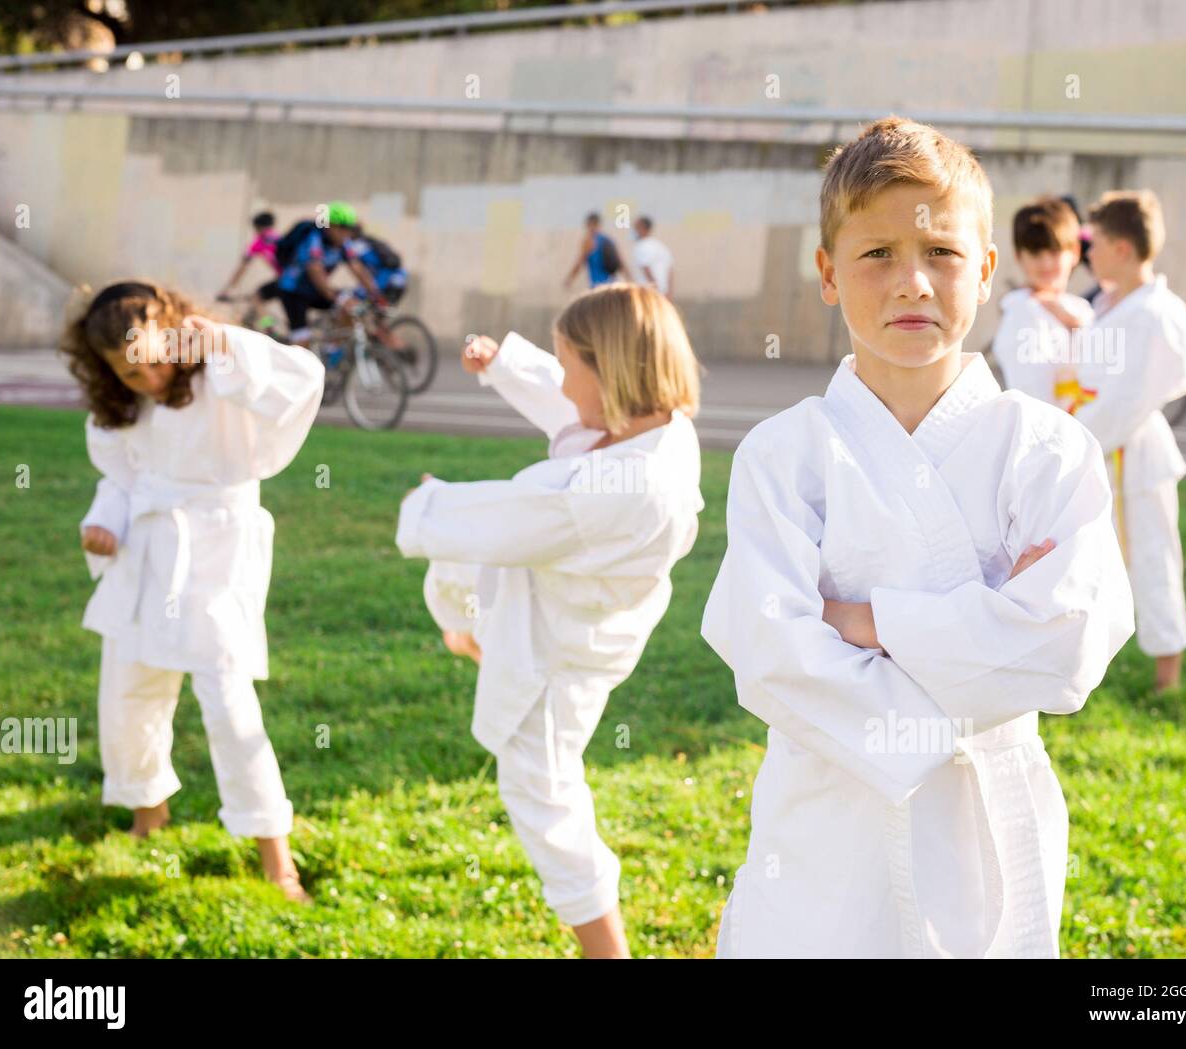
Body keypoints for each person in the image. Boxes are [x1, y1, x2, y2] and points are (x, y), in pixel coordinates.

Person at [700, 117, 1134, 958]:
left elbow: (1069, 646)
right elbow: (771, 652)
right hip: (825, 828)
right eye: (876, 255)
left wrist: (866, 621)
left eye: (940, 253)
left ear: (985, 269)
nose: (912, 283)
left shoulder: (1046, 450)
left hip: (983, 831)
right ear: (827, 274)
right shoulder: (784, 456)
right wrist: (986, 635)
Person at [395, 283, 704, 958]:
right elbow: (568, 408)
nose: (562, 380)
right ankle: (475, 636)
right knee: (533, 761)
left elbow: (516, 517)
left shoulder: (619, 488)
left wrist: (429, 505)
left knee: (540, 786)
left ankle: (606, 947)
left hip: (564, 653)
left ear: (614, 370)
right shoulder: (644, 426)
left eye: (570, 366)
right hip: (560, 619)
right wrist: (506, 362)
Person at [60, 280, 325, 903]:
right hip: (147, 551)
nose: (148, 377)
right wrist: (105, 521)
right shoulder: (121, 408)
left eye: (155, 357)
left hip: (217, 551)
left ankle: (274, 854)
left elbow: (301, 382)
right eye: (127, 372)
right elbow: (124, 478)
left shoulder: (220, 369)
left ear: (178, 329)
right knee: (128, 693)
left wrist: (226, 343)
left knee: (228, 700)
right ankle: (147, 812)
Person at [1070, 190, 1186, 692]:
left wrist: (1079, 435)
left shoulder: (1156, 314)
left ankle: (1168, 674)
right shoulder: (1109, 304)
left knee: (1151, 558)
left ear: (1122, 248)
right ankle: (1084, 662)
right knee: (1091, 560)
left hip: (1133, 452)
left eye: (1096, 242)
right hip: (1101, 444)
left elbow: (1134, 395)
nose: (1089, 252)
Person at [991, 197, 1094, 407]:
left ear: (1074, 253)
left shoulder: (1080, 309)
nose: (1046, 263)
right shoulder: (1022, 311)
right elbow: (1035, 397)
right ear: (1019, 256)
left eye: (1055, 252)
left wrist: (1076, 325)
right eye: (1036, 253)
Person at [274, 201, 379, 346]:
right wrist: (336, 298)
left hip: (315, 290)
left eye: (350, 228)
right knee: (302, 342)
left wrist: (375, 293)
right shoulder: (313, 239)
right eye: (343, 228)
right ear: (330, 225)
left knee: (352, 308)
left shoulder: (343, 243)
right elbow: (316, 271)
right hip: (294, 292)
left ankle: (332, 351)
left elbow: (357, 267)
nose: (347, 233)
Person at [216, 211, 282, 316]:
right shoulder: (279, 237)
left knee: (257, 298)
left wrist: (227, 290)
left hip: (285, 279)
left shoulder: (259, 242)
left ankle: (268, 327)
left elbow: (242, 268)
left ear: (257, 227)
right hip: (295, 277)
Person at [564, 212, 631, 290]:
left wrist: (569, 279)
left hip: (597, 285)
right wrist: (630, 280)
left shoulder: (588, 241)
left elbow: (579, 263)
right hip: (612, 283)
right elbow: (621, 263)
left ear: (588, 225)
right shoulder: (608, 240)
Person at [631, 216, 674, 299]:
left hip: (647, 292)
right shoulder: (660, 246)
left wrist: (655, 287)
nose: (633, 230)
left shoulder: (641, 246)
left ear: (643, 227)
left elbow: (646, 269)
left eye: (635, 227)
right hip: (661, 291)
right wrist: (669, 291)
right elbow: (671, 269)